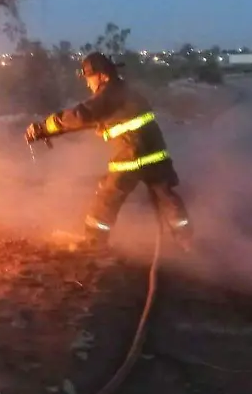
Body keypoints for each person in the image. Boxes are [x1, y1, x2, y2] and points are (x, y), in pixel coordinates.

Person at [25, 52, 193, 250]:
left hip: (132, 155)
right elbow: (95, 120)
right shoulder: (126, 92)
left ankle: (94, 241)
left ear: (102, 75)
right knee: (166, 196)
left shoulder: (109, 93)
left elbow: (82, 115)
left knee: (108, 195)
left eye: (89, 78)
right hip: (156, 155)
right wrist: (52, 133)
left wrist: (42, 128)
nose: (88, 84)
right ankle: (186, 241)